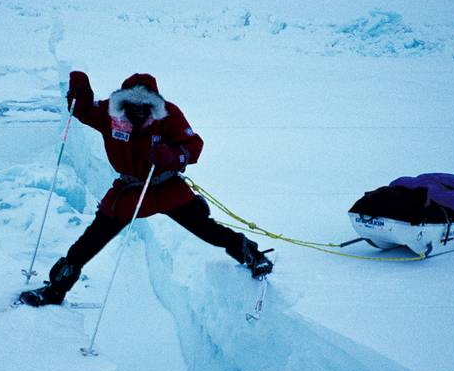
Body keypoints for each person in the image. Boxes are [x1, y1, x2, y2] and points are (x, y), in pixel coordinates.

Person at [19, 71, 273, 307]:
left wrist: (174, 156)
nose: (139, 109)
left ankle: (252, 254)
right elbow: (83, 111)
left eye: (145, 103)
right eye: (133, 102)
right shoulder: (111, 114)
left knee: (206, 229)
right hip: (128, 193)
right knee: (91, 241)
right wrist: (81, 94)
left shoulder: (169, 115)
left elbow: (194, 146)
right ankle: (56, 289)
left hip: (167, 188)